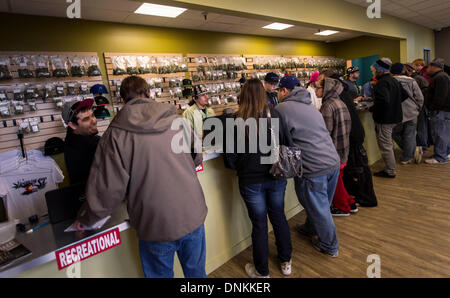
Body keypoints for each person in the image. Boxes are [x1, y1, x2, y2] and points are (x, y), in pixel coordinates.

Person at [74, 76, 208, 278]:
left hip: (155, 224)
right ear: (149, 94)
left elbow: (107, 189)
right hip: (192, 213)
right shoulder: (177, 120)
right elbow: (196, 157)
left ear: (123, 101)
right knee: (197, 275)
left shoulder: (115, 135)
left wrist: (87, 219)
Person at [224, 78, 292, 278]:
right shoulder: (276, 115)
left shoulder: (234, 121)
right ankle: (286, 261)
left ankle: (262, 272)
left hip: (251, 180)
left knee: (259, 224)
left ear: (242, 97)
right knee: (279, 217)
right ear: (263, 96)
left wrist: (244, 165)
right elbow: (288, 144)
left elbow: (229, 160)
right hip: (276, 175)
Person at [275, 76, 341, 257]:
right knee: (321, 204)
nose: (277, 95)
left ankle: (329, 245)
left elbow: (275, 137)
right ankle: (311, 228)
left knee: (318, 207)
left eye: (278, 91)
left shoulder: (281, 108)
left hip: (313, 167)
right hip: (331, 161)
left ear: (284, 91)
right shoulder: (309, 106)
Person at [325, 72, 378, 208]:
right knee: (357, 169)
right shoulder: (343, 93)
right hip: (353, 134)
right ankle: (358, 196)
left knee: (358, 169)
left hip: (351, 137)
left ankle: (365, 198)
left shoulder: (334, 98)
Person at [316, 76, 354, 216]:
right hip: (343, 149)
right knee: (339, 181)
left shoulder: (328, 106)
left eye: (318, 87)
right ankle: (349, 201)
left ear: (325, 89)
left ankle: (343, 206)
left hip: (333, 152)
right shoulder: (339, 102)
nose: (316, 90)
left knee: (336, 184)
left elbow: (325, 132)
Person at [369, 58, 407, 178]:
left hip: (385, 119)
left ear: (379, 70)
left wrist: (372, 108)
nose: (373, 72)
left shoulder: (382, 83)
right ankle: (390, 168)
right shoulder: (394, 80)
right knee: (388, 144)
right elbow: (404, 95)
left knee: (385, 146)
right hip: (395, 117)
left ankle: (390, 171)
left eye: (374, 70)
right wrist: (394, 104)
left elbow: (384, 101)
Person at [390, 63, 424, 165]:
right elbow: (420, 97)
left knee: (394, 133)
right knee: (410, 135)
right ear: (402, 70)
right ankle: (407, 157)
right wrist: (418, 108)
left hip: (396, 113)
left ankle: (409, 151)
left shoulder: (390, 82)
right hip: (412, 112)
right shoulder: (412, 81)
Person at [61, 98, 100, 186]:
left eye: (93, 115)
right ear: (72, 125)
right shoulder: (79, 147)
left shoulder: (80, 137)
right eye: (86, 119)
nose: (94, 121)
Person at [424, 58, 450, 164]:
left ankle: (440, 157)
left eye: (429, 67)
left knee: (440, 134)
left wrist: (433, 108)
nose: (427, 69)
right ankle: (445, 153)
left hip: (440, 110)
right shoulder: (442, 76)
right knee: (444, 133)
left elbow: (440, 95)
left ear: (434, 67)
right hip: (443, 110)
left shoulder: (441, 77)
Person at [405, 62, 431, 163]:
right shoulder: (417, 78)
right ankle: (421, 147)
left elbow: (424, 93)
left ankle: (422, 147)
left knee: (421, 128)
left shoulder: (417, 79)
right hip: (418, 107)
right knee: (420, 128)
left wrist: (418, 104)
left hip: (420, 107)